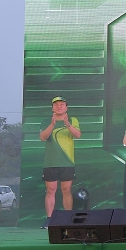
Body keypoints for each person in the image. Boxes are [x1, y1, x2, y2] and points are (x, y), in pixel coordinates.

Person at [39, 96, 81, 229]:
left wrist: (67, 124)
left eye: (62, 104)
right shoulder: (46, 121)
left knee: (66, 190)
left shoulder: (73, 120)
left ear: (66, 107)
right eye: (56, 104)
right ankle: (49, 219)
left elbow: (77, 135)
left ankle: (68, 218)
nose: (59, 106)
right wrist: (52, 125)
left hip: (67, 162)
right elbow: (43, 137)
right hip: (50, 162)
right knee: (50, 190)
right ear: (52, 108)